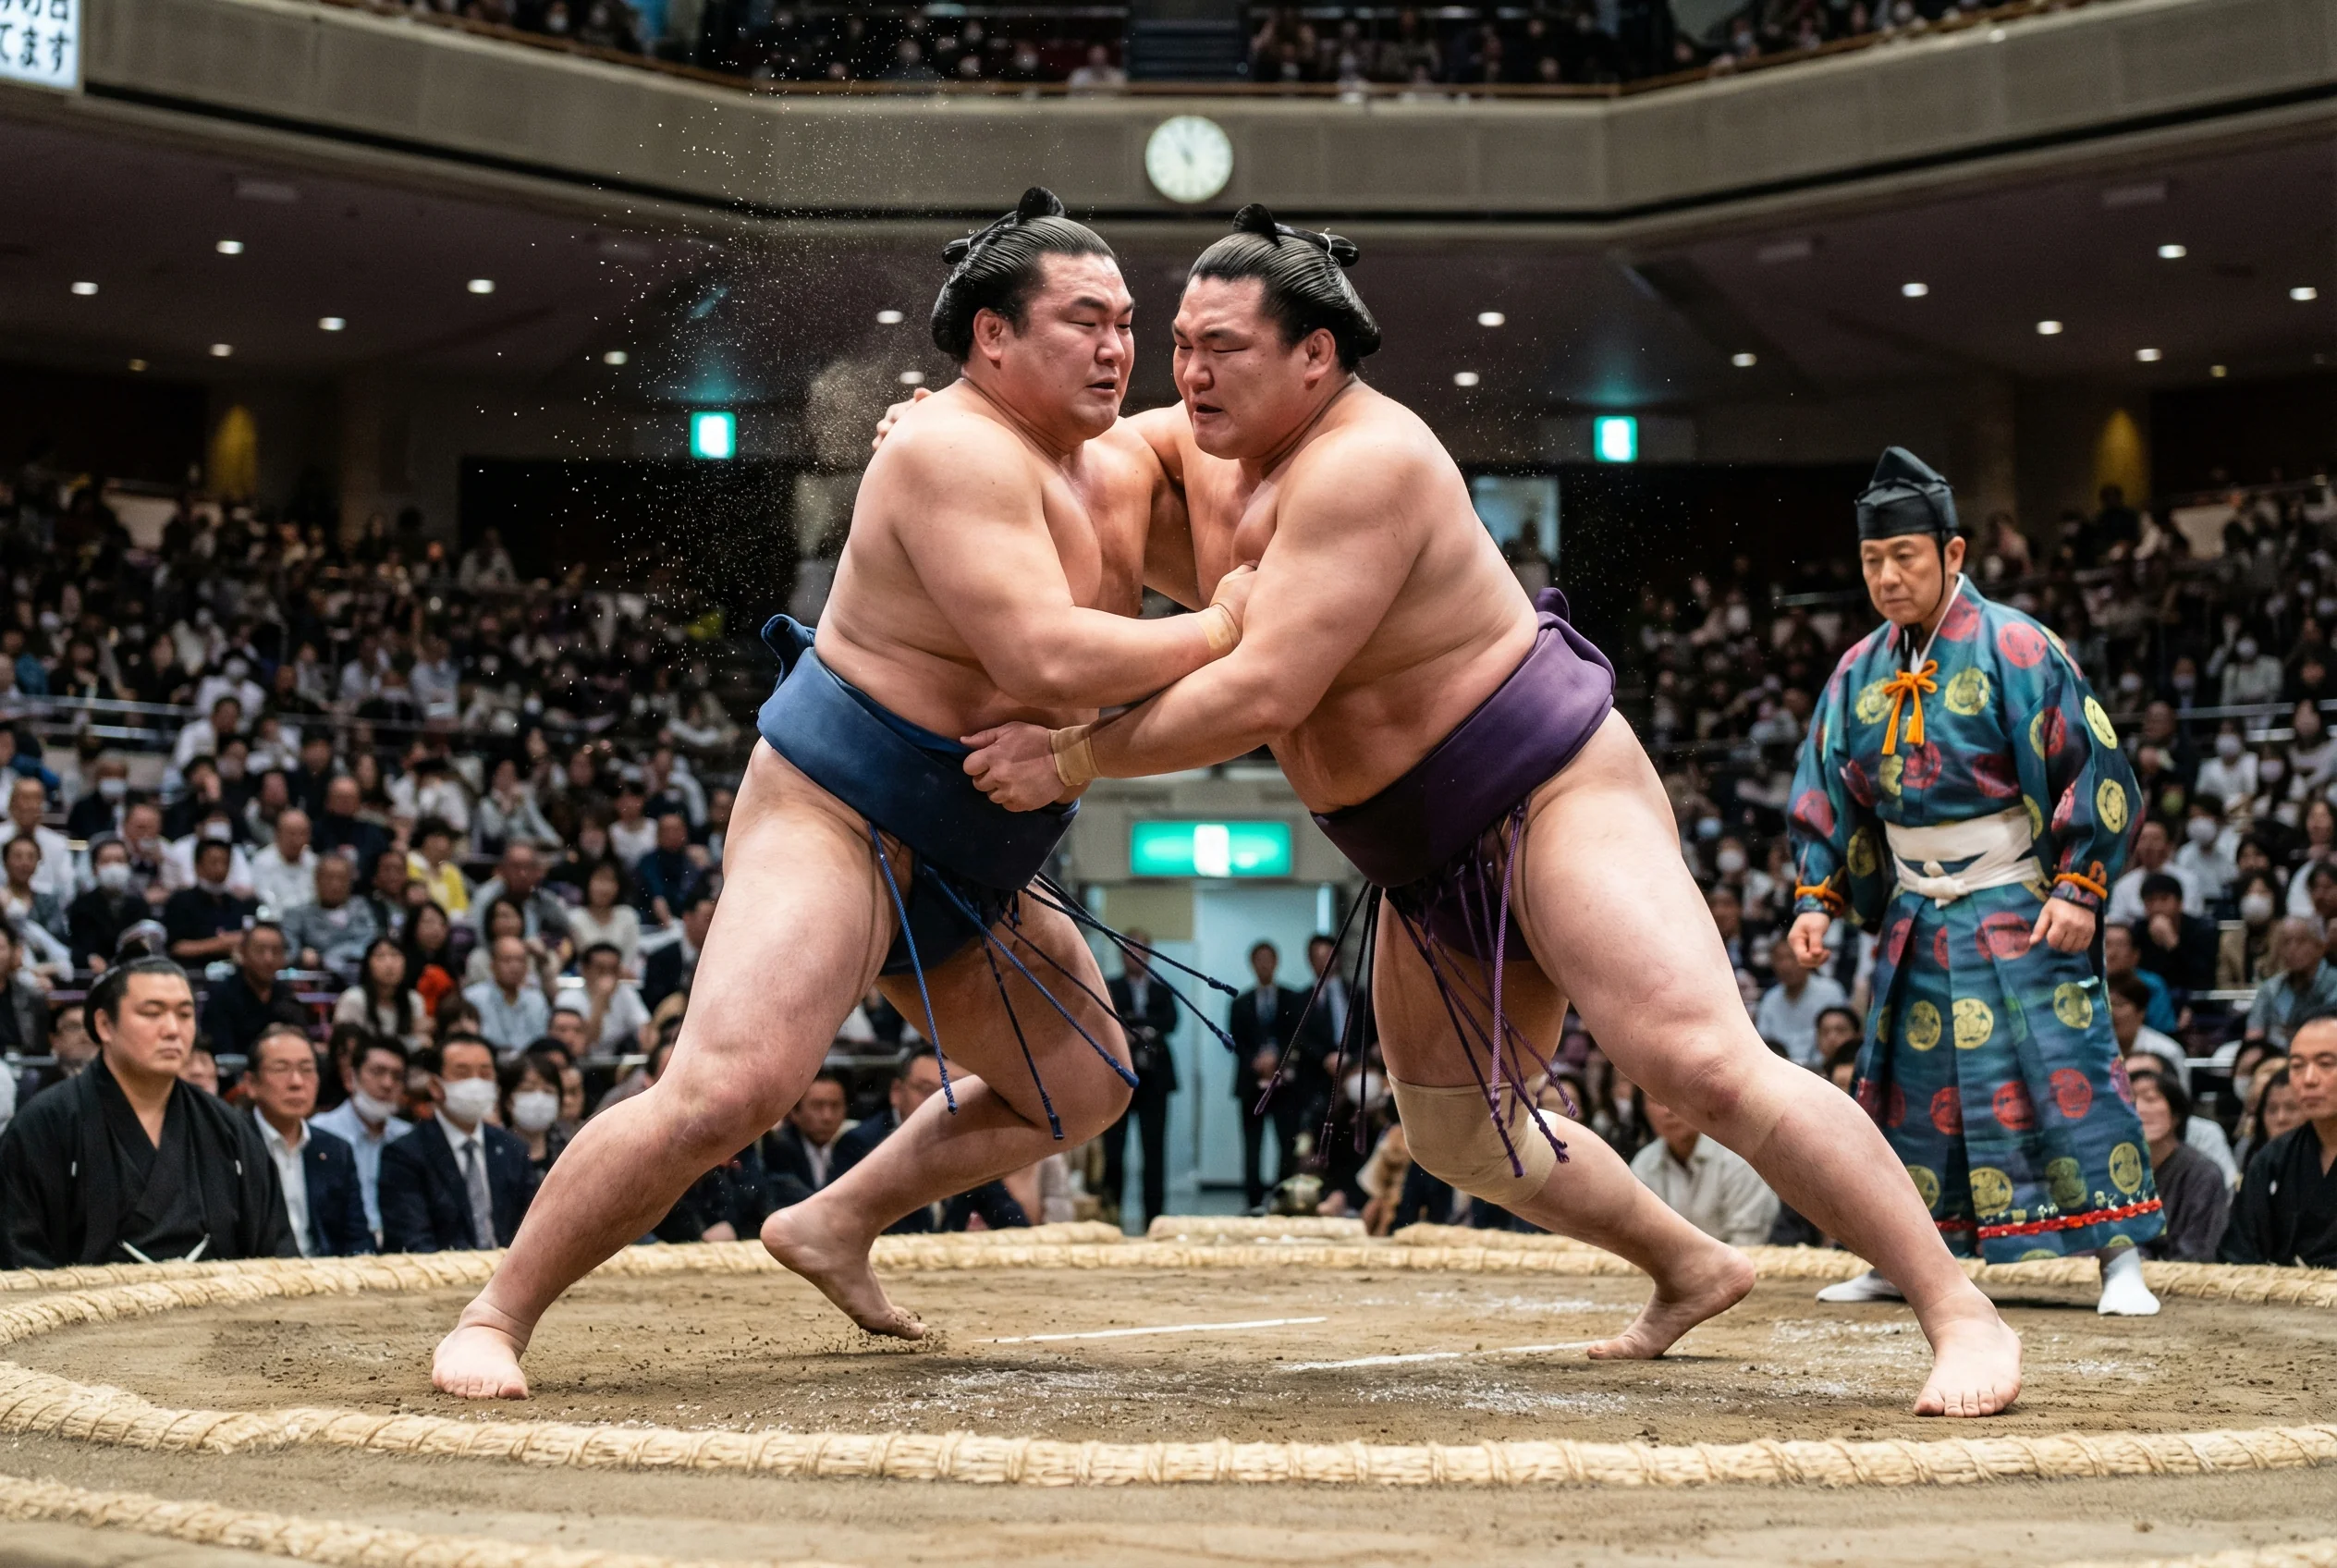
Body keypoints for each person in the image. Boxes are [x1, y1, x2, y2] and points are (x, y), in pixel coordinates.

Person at [951, 215, 2022, 1414]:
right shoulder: (1197, 449)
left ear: (1315, 354)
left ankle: (1956, 1306)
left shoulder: (1372, 462)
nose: (1191, 373)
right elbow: (1058, 451)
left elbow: (1263, 691)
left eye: (1226, 347)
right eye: (1184, 344)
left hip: (1544, 793)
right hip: (1417, 857)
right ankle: (1689, 1262)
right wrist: (939, 429)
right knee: (1463, 1138)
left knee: (1697, 1063)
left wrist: (1075, 759)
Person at [430, 190, 1255, 1398]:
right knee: (732, 1089)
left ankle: (832, 1223)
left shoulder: (1124, 465)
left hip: (980, 852)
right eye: (1085, 321)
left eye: (1128, 323)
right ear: (991, 336)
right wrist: (1227, 627)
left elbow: (1274, 505)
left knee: (1083, 1083)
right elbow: (1044, 658)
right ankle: (497, 1315)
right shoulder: (945, 451)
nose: (1119, 348)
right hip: (844, 811)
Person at [0, 957, 295, 1268]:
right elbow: (19, 1260)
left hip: (217, 1313)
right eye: (152, 1013)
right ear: (105, 1025)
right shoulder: (45, 1125)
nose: (172, 1030)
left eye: (184, 1014)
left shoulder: (228, 1129)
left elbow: (276, 1255)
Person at [828, 1053, 1026, 1234]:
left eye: (953, 1090)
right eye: (926, 1089)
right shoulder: (860, 1143)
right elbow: (842, 1225)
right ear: (897, 1092)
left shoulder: (968, 1141)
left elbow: (1007, 1215)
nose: (939, 1101)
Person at [378, 1037, 537, 1253]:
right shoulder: (405, 1154)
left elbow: (534, 1227)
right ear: (435, 1086)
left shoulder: (513, 1148)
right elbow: (413, 1241)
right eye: (462, 1073)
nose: (476, 1083)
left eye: (485, 1074)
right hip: (441, 1278)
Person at [2221, 1015, 2337, 1268]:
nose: (2309, 1079)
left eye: (2326, 1064)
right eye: (2296, 1066)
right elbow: (2239, 1253)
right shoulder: (2274, 1157)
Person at [246, 1024, 372, 1257]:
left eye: (306, 1069)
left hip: (328, 1280)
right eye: (281, 1068)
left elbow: (357, 1237)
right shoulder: (232, 1146)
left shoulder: (336, 1150)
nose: (296, 1082)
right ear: (251, 1084)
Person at [1101, 926, 1181, 1226]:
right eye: (1129, 949)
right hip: (1119, 1081)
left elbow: (1170, 1022)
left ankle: (1154, 1219)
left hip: (1155, 1081)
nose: (1135, 955)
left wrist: (1137, 1029)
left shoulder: (1161, 988)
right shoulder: (1109, 986)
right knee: (1113, 1153)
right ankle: (1110, 1217)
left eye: (1141, 949)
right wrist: (1136, 1030)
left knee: (1154, 1152)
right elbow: (1105, 1020)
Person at [1630, 1088, 1780, 1247]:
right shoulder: (1643, 1164)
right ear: (1644, 1108)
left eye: (1676, 1099)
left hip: (1740, 1265)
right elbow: (1638, 1238)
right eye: (1657, 1102)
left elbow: (1748, 1243)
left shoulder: (1738, 1158)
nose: (1668, 1111)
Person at [1227, 939, 1315, 1209]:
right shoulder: (1240, 1002)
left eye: (1269, 959)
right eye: (1259, 959)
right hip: (1251, 1085)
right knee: (1252, 1148)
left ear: (1276, 962)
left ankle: (1280, 1202)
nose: (1264, 964)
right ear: (1252, 964)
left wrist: (1279, 1060)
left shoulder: (1293, 998)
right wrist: (1256, 1061)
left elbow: (1298, 1036)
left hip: (1285, 1085)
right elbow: (1235, 1042)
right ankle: (1253, 1204)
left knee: (1286, 1145)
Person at [308, 1032, 411, 1243]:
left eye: (397, 1076)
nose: (387, 1084)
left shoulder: (409, 1137)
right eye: (377, 1072)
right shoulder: (320, 1132)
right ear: (350, 1078)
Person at [1754, 937, 1848, 1069]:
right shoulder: (1769, 999)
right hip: (1779, 1071)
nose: (1786, 965)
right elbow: (1763, 1045)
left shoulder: (1831, 991)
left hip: (1824, 1071)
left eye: (1792, 957)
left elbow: (1844, 1041)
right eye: (1779, 959)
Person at [2245, 917, 2337, 1051]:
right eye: (2286, 943)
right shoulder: (2270, 988)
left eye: (2301, 941)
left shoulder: (2334, 982)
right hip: (2277, 1059)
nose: (2292, 949)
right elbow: (2253, 1037)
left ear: (2320, 947)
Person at [764, 1070, 851, 1208]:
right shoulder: (778, 1144)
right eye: (817, 1106)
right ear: (794, 1112)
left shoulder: (853, 1144)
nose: (827, 1117)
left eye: (835, 1106)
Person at [283, 852, 378, 977]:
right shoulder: (297, 914)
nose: (335, 884)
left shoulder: (360, 908)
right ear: (316, 879)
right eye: (329, 878)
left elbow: (369, 941)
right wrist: (301, 954)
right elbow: (288, 949)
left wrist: (336, 955)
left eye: (341, 878)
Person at [162, 837, 251, 963]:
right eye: (214, 862)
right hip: (194, 972)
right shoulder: (180, 901)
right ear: (198, 865)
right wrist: (220, 944)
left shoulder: (237, 904)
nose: (220, 868)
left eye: (225, 862)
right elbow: (176, 948)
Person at [335, 936, 428, 1052]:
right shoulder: (353, 999)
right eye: (380, 956)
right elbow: (346, 1047)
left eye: (395, 955)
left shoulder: (414, 999)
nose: (389, 964)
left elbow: (422, 1041)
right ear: (367, 964)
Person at [67, 834, 147, 970]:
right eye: (106, 861)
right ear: (94, 869)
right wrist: (88, 958)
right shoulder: (81, 906)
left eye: (120, 861)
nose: (113, 867)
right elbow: (75, 946)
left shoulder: (139, 905)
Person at [464, 935, 551, 1056]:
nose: (515, 967)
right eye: (507, 960)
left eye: (520, 960)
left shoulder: (536, 999)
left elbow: (542, 1042)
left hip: (529, 1066)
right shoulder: (472, 997)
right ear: (492, 965)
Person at [2134, 873, 2218, 993]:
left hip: (2194, 1000)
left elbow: (2202, 978)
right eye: (2150, 900)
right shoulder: (2139, 930)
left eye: (2164, 899)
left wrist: (2173, 944)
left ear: (2179, 903)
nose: (2157, 907)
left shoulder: (2202, 930)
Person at [0, 774, 75, 899]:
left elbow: (67, 891)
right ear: (11, 803)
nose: (31, 805)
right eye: (25, 798)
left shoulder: (58, 844)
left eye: (37, 799)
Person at [500, 1048, 569, 1180]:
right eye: (528, 1090)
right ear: (508, 1100)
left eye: (548, 1091)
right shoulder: (494, 1150)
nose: (539, 1099)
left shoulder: (569, 1148)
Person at [641, 888, 714, 1011]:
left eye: (715, 919)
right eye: (708, 919)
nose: (713, 924)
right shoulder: (661, 958)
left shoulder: (721, 959)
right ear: (687, 918)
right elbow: (652, 1001)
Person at [575, 940, 651, 1058]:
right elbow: (586, 1043)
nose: (607, 975)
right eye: (601, 969)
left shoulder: (626, 992)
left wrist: (645, 1042)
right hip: (585, 1065)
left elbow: (644, 1027)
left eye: (613, 970)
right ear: (585, 970)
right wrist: (601, 998)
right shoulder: (570, 998)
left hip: (619, 1064)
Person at [566, 860, 642, 975]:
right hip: (585, 980)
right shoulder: (574, 917)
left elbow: (629, 960)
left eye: (610, 881)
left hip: (622, 980)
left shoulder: (628, 916)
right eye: (599, 880)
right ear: (588, 883)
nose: (604, 888)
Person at [2220, 869, 2284, 986]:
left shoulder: (2286, 935)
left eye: (2262, 892)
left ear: (2274, 897)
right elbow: (2223, 983)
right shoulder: (2229, 939)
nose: (2255, 899)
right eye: (2249, 892)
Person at [249, 809, 316, 915]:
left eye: (302, 834)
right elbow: (265, 900)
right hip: (276, 921)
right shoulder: (262, 862)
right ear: (277, 834)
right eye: (291, 834)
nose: (297, 840)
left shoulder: (314, 862)